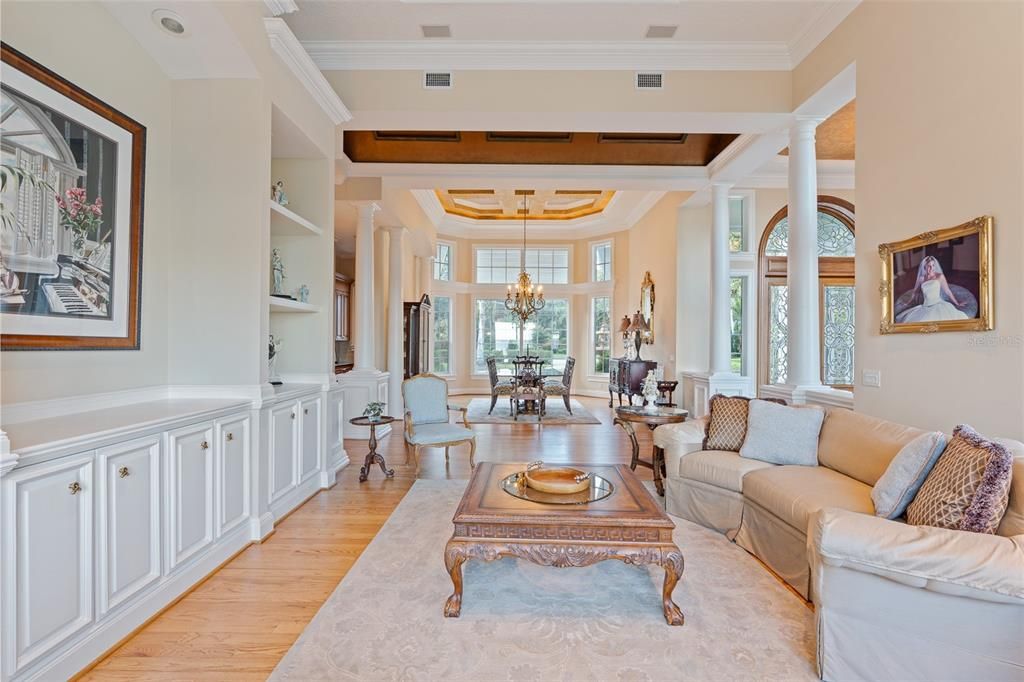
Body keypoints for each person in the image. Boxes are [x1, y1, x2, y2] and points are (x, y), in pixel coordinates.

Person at [896, 255, 968, 322]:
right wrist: (908, 302)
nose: (932, 268)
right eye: (929, 266)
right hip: (925, 306)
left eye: (933, 265)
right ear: (924, 267)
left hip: (938, 304)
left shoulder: (940, 276)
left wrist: (957, 303)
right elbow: (915, 292)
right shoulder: (921, 278)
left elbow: (947, 291)